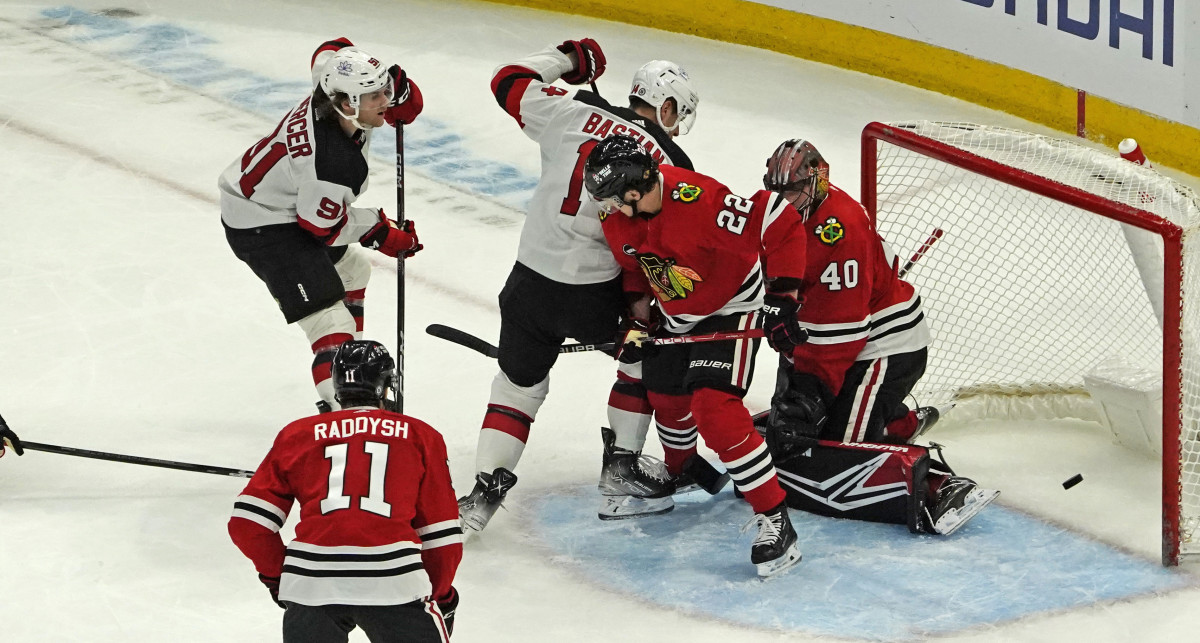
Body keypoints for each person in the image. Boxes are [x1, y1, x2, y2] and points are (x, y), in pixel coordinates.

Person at [458, 37, 704, 533]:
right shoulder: (671, 160)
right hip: (597, 293)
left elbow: (507, 79)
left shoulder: (571, 110)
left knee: (517, 385)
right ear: (669, 106)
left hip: (527, 283)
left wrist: (568, 58)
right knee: (641, 359)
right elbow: (655, 248)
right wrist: (642, 318)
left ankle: (483, 493)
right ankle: (622, 469)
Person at [585, 134, 807, 578]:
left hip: (732, 310)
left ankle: (776, 518)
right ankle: (682, 470)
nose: (603, 208)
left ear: (633, 191)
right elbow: (636, 270)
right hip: (676, 313)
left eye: (609, 199)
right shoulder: (621, 219)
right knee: (665, 396)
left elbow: (777, 218)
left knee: (715, 410)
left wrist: (783, 296)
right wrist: (635, 313)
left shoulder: (700, 201)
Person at [759, 138, 997, 535]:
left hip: (883, 344)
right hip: (829, 331)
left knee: (842, 450)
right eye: (777, 191)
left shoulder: (841, 228)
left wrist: (808, 392)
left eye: (793, 191)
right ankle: (898, 420)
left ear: (818, 181)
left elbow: (845, 335)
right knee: (793, 435)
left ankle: (940, 485)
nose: (784, 201)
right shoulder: (778, 213)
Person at [219, 38, 425, 412]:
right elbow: (320, 228)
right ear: (347, 105)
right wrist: (380, 231)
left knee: (354, 271)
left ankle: (352, 373)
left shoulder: (331, 86)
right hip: (263, 226)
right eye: (375, 96)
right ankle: (349, 408)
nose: (386, 102)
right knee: (330, 322)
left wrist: (399, 86)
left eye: (385, 91)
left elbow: (333, 49)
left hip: (278, 199)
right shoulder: (330, 164)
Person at [228, 340, 462, 642]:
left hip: (311, 585)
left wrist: (280, 577)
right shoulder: (420, 436)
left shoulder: (296, 435)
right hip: (394, 585)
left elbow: (248, 525)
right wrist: (441, 596)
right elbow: (442, 538)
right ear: (385, 385)